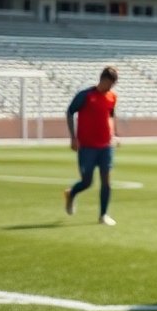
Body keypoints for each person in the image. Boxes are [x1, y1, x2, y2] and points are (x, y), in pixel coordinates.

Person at [63, 67, 119, 225]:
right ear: (102, 79)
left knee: (106, 180)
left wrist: (114, 134)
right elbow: (70, 111)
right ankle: (72, 193)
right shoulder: (86, 95)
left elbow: (111, 114)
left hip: (106, 146)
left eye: (113, 85)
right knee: (87, 182)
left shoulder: (112, 97)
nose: (110, 87)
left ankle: (103, 215)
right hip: (87, 147)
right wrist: (73, 138)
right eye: (109, 83)